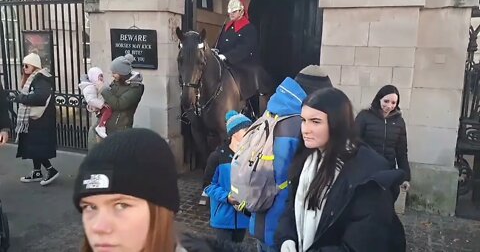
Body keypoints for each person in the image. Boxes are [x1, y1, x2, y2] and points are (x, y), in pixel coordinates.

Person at [73, 128, 252, 252]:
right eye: (90, 207)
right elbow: (208, 185)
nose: (98, 227)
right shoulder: (217, 156)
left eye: (121, 205)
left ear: (162, 209)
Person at [276, 88, 406, 252]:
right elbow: (291, 207)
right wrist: (287, 238)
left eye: (315, 121)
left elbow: (363, 243)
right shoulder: (307, 159)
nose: (305, 129)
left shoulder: (369, 174)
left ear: (337, 123)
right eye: (303, 120)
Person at [250, 65, 332, 252]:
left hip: (260, 212)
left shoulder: (272, 109)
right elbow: (292, 181)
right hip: (282, 226)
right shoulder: (301, 125)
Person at [8, 53, 59, 185]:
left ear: (34, 65)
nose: (24, 68)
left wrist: (20, 98)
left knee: (36, 147)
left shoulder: (41, 78)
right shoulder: (33, 78)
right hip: (33, 119)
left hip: (41, 119)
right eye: (23, 65)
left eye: (26, 65)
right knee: (32, 145)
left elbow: (40, 97)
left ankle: (51, 170)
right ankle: (37, 171)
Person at [203, 110, 252, 243]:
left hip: (243, 218)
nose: (249, 133)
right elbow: (207, 186)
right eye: (245, 129)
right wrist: (227, 197)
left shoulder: (250, 156)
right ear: (234, 132)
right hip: (222, 218)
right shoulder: (217, 156)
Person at [355, 85, 411, 190]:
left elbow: (402, 151)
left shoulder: (399, 122)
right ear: (379, 99)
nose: (389, 106)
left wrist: (405, 177)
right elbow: (354, 143)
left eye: (393, 103)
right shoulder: (364, 116)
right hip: (366, 171)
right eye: (386, 101)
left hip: (388, 171)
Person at [95, 54, 144, 139]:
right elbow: (109, 98)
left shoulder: (136, 88)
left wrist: (103, 90)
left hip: (119, 130)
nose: (112, 75)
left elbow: (119, 104)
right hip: (104, 127)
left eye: (114, 73)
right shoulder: (117, 81)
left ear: (122, 73)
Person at [79, 67, 112, 139]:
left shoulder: (98, 84)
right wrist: (101, 104)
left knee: (108, 111)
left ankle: (101, 126)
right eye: (99, 76)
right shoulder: (89, 87)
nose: (101, 78)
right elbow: (91, 99)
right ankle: (101, 126)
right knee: (108, 110)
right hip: (98, 106)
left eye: (101, 76)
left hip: (101, 104)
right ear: (93, 77)